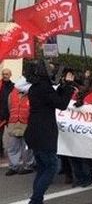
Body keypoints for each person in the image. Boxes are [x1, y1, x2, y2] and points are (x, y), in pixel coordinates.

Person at [24, 61, 76, 204]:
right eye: (51, 70)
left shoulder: (36, 87)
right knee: (51, 167)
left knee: (42, 168)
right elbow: (61, 104)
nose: (53, 72)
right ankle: (35, 200)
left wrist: (64, 86)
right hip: (44, 133)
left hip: (34, 132)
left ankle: (37, 199)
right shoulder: (44, 88)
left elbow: (54, 98)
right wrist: (69, 86)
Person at [5, 77, 34, 176]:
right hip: (14, 122)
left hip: (27, 123)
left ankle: (28, 166)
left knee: (26, 147)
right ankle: (14, 166)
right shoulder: (12, 94)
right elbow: (9, 107)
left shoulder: (32, 93)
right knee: (13, 146)